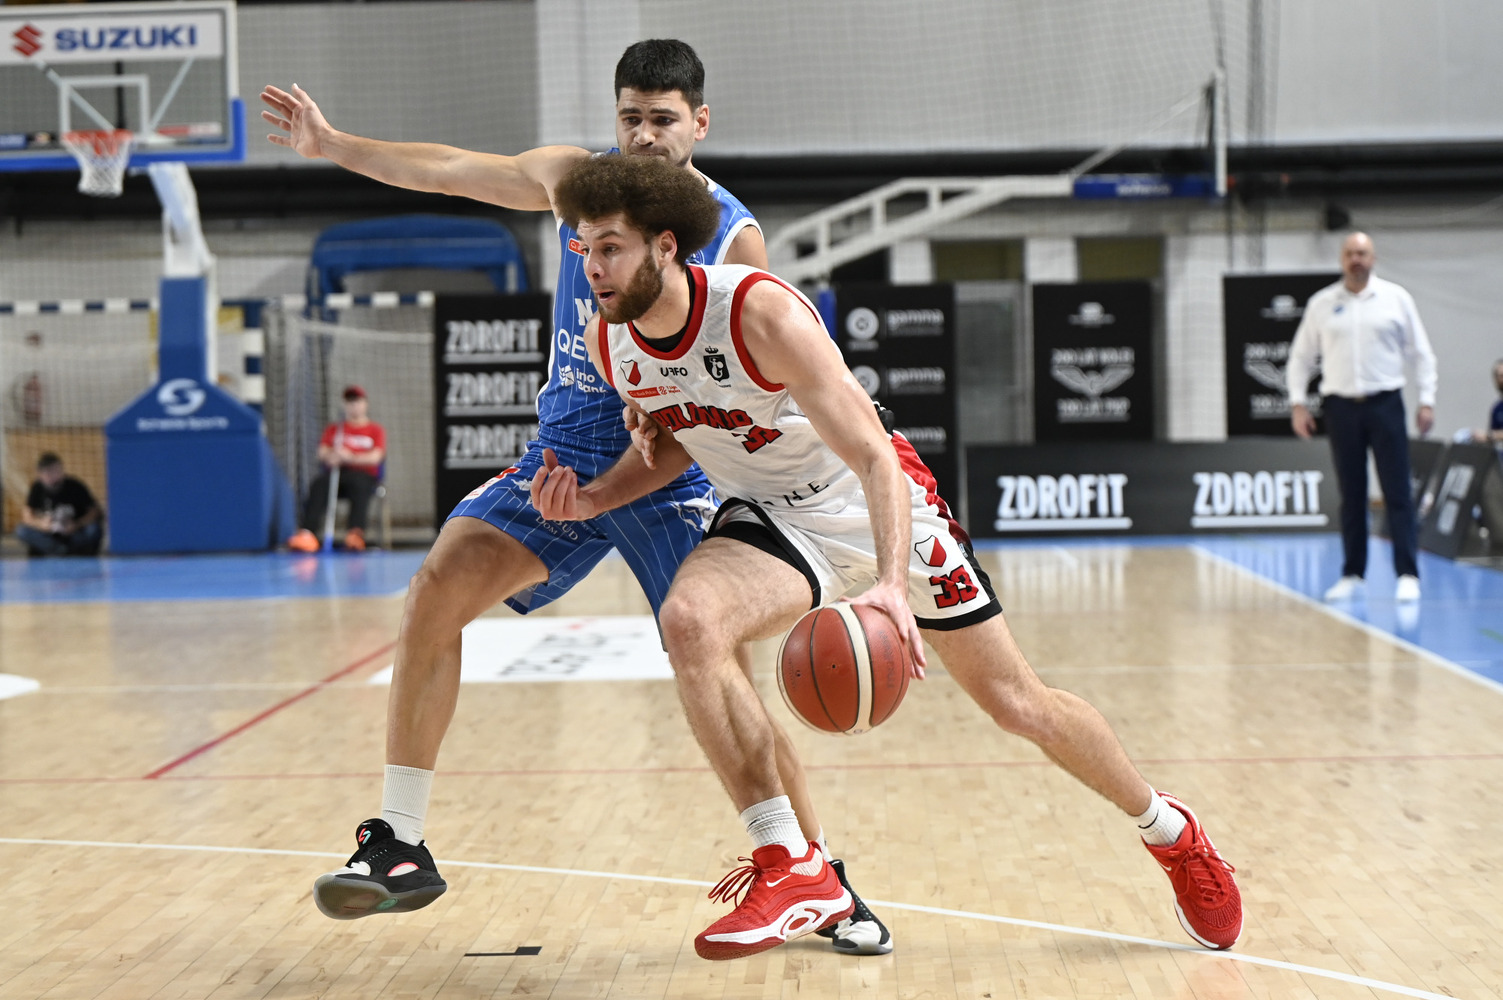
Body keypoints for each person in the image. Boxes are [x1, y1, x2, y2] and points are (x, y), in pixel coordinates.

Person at [262, 39, 893, 954]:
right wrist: (332, 145)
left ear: (699, 124)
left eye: (662, 119)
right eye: (630, 116)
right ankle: (399, 841)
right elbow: (448, 169)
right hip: (561, 456)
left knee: (715, 664)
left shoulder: (731, 233)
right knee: (437, 587)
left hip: (666, 463)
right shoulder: (574, 181)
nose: (643, 134)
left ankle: (817, 875)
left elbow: (753, 381)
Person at [530, 154, 1243, 958]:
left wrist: (893, 586)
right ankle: (792, 864)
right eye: (585, 249)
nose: (593, 268)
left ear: (665, 247)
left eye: (611, 248)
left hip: (869, 500)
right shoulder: (612, 340)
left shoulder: (760, 313)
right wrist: (593, 498)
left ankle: (1169, 831)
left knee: (1018, 704)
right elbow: (678, 441)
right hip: (773, 516)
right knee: (689, 621)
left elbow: (873, 455)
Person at [1287, 232, 1438, 604]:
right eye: (1350, 253)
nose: (1356, 259)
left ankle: (1407, 574)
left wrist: (1427, 400)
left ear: (1373, 258)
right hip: (1341, 407)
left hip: (1385, 403)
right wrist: (1298, 403)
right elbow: (1300, 358)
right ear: (1342, 259)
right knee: (1351, 494)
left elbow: (1421, 353)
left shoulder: (1396, 298)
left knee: (1397, 492)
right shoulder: (1322, 304)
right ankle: (1353, 573)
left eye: (1363, 253)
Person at [287, 385, 386, 553]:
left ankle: (355, 534)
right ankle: (307, 533)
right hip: (338, 474)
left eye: (357, 401)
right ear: (344, 405)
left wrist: (350, 457)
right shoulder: (335, 429)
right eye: (350, 401)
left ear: (365, 404)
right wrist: (332, 455)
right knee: (319, 484)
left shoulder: (375, 430)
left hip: (363, 474)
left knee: (360, 485)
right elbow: (322, 452)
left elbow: (376, 457)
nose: (354, 405)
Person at [16, 452, 103, 556]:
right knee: (22, 530)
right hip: (50, 534)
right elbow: (27, 515)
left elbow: (94, 511)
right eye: (49, 472)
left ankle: (73, 550)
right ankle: (60, 551)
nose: (53, 476)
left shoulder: (75, 486)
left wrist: (76, 524)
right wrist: (41, 524)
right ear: (41, 474)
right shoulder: (37, 488)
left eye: (56, 471)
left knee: (93, 530)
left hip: (73, 532)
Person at [1471, 359, 1503, 446]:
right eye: (1498, 376)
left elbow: (1492, 435)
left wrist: (1492, 436)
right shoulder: (1497, 409)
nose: (1501, 380)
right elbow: (1491, 439)